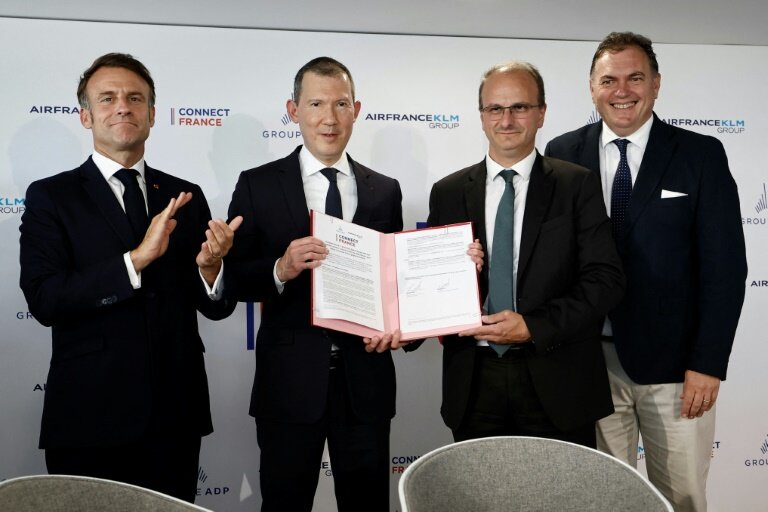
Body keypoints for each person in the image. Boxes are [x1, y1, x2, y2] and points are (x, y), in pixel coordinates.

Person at [19, 53, 241, 502]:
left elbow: (215, 307)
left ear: (152, 115)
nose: (123, 106)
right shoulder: (51, 197)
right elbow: (45, 300)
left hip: (175, 416)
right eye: (108, 98)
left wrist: (212, 270)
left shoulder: (185, 195)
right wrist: (135, 261)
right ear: (86, 115)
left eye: (135, 98)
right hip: (88, 416)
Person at [545, 32, 747, 511]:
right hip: (586, 363)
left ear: (656, 84)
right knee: (600, 499)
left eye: (635, 77)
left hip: (676, 370)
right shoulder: (560, 152)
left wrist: (708, 363)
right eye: (609, 79)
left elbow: (725, 268)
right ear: (591, 88)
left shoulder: (700, 155)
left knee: (682, 497)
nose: (622, 90)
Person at [224, 57, 403, 512]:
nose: (329, 117)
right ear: (293, 110)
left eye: (341, 104)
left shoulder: (385, 190)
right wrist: (280, 269)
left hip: (365, 384)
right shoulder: (257, 185)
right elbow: (232, 279)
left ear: (356, 109)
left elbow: (394, 281)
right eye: (316, 103)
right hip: (288, 385)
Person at [426, 61, 625, 447]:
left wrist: (533, 325)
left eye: (519, 107)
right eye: (495, 109)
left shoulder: (576, 185)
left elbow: (606, 280)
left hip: (558, 378)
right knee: (477, 503)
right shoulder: (447, 191)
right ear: (482, 117)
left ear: (541, 114)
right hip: (473, 381)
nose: (507, 120)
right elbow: (431, 284)